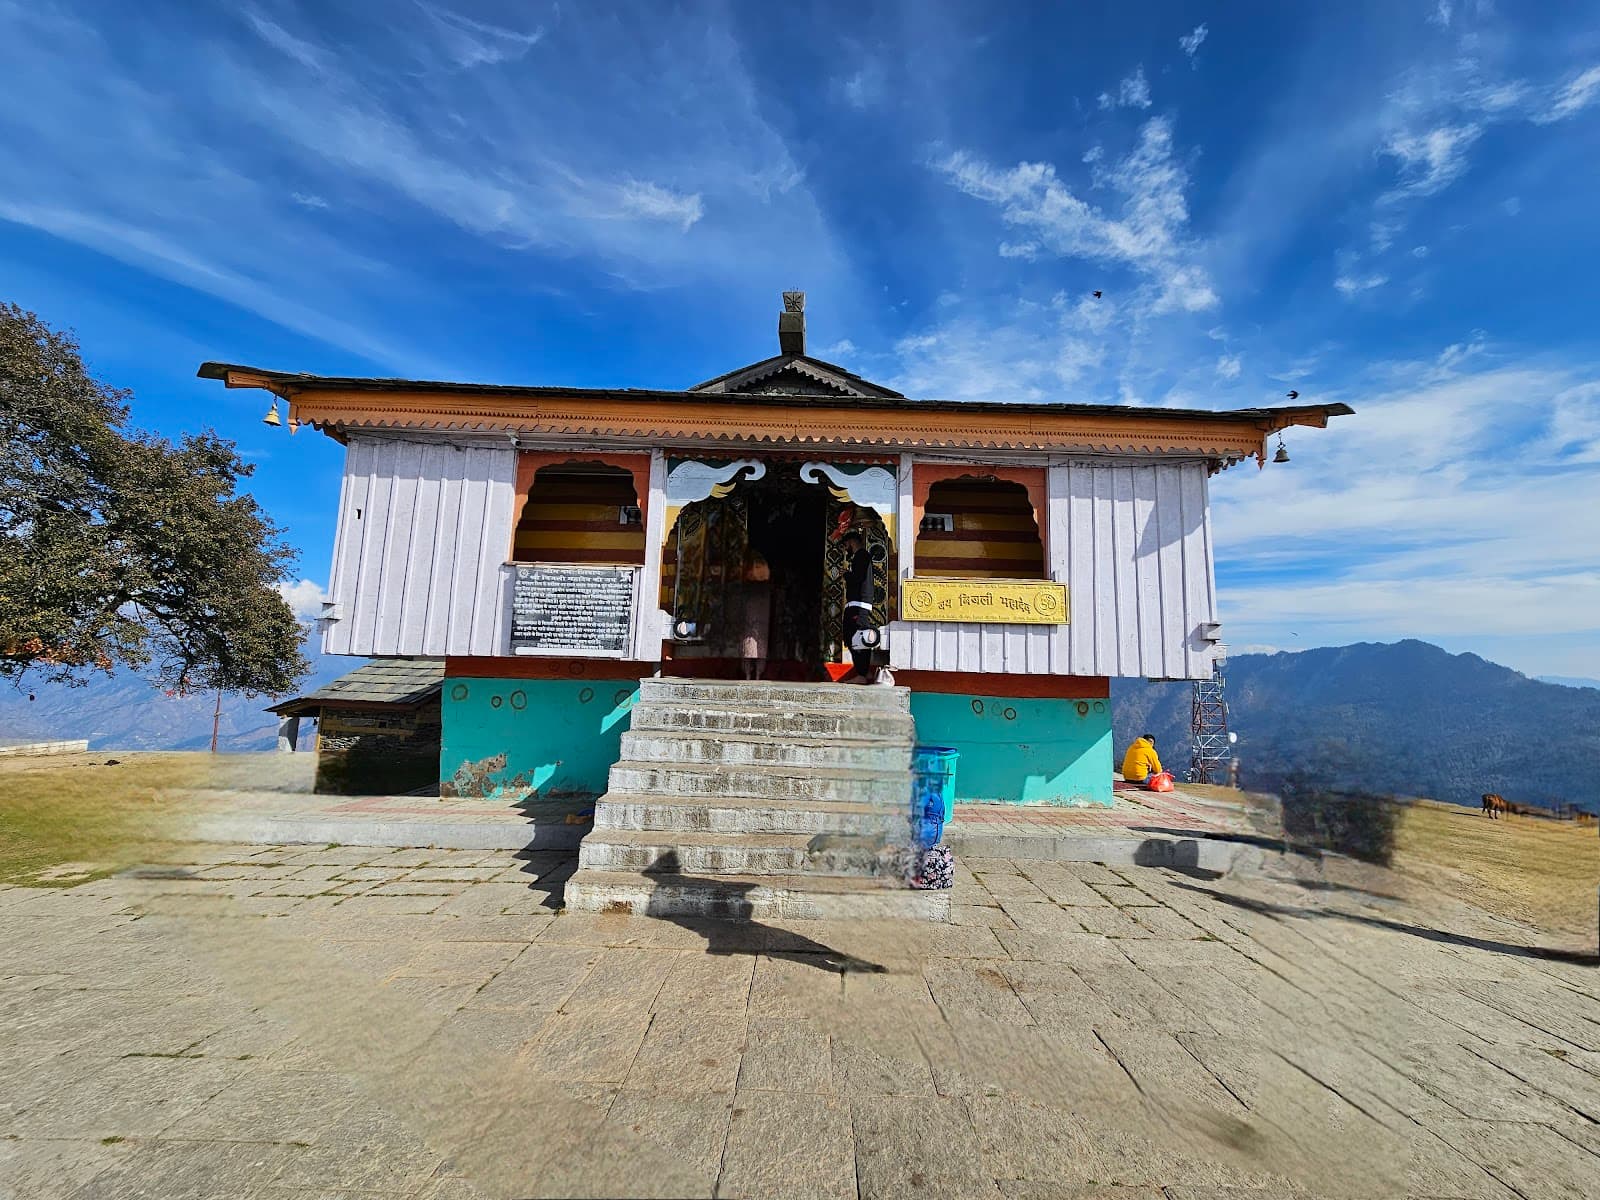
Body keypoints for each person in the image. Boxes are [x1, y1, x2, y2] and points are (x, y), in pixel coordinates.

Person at [838, 529, 877, 684]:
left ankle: (861, 673)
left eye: (846, 544)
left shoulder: (862, 556)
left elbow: (858, 578)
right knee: (857, 636)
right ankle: (864, 672)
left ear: (852, 542)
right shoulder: (861, 557)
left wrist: (846, 574)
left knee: (856, 636)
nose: (846, 548)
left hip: (858, 604)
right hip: (858, 604)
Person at [737, 551, 772, 680]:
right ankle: (747, 674)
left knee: (760, 647)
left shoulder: (767, 590)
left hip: (762, 623)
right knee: (748, 646)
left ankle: (758, 674)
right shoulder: (747, 588)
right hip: (750, 622)